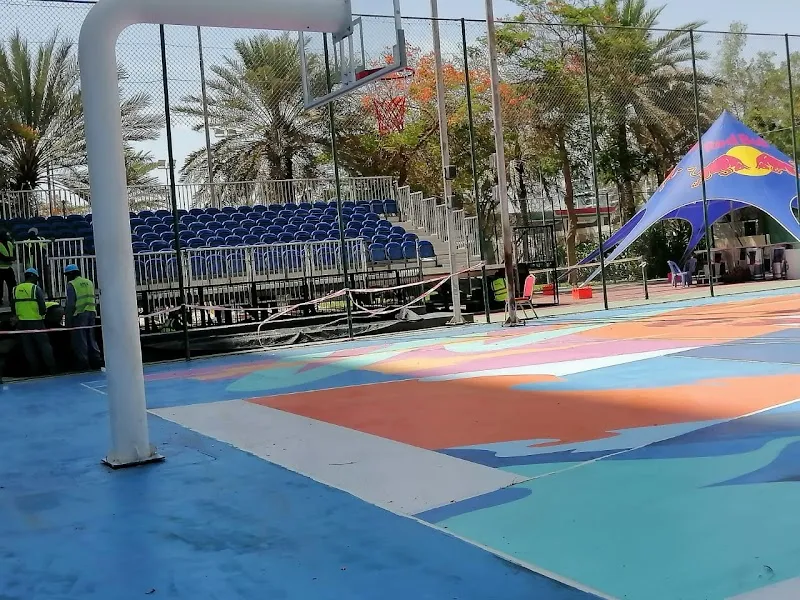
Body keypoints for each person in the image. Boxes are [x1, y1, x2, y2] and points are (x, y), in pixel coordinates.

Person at [11, 268, 55, 375]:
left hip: (22, 323)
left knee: (28, 348)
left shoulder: (15, 289)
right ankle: (51, 369)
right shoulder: (35, 288)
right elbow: (42, 307)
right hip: (36, 322)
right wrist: (42, 314)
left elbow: (13, 307)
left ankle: (35, 370)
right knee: (44, 346)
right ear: (33, 277)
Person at [63, 264, 102, 370]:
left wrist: (68, 321)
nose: (67, 277)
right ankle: (96, 361)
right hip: (91, 312)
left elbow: (71, 304)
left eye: (67, 275)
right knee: (91, 338)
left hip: (79, 314)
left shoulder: (72, 284)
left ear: (71, 274)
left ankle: (83, 363)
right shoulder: (89, 282)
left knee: (80, 340)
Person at [0, 230, 16, 307]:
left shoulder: (10, 243)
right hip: (0, 268)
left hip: (9, 268)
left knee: (12, 285)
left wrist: (11, 258)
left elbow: (14, 252)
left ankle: (11, 300)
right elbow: (1, 257)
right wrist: (10, 259)